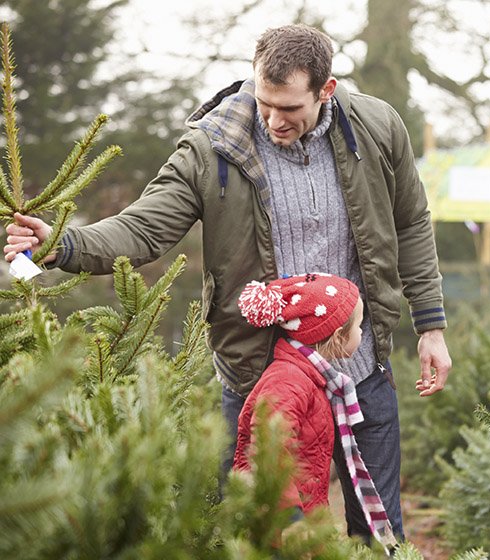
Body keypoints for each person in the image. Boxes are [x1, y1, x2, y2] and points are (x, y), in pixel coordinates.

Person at [2, 23, 450, 541]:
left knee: (380, 532)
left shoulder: (376, 127)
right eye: (265, 102)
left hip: (359, 367)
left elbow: (411, 221)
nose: (274, 120)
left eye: (290, 109)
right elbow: (145, 226)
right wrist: (64, 243)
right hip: (259, 375)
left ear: (326, 89)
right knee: (259, 534)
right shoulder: (211, 147)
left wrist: (430, 325)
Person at [233, 273, 395, 551]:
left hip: (303, 517)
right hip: (279, 526)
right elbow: (271, 451)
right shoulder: (288, 381)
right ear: (337, 337)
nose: (362, 334)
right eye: (359, 327)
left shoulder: (310, 377)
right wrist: (291, 519)